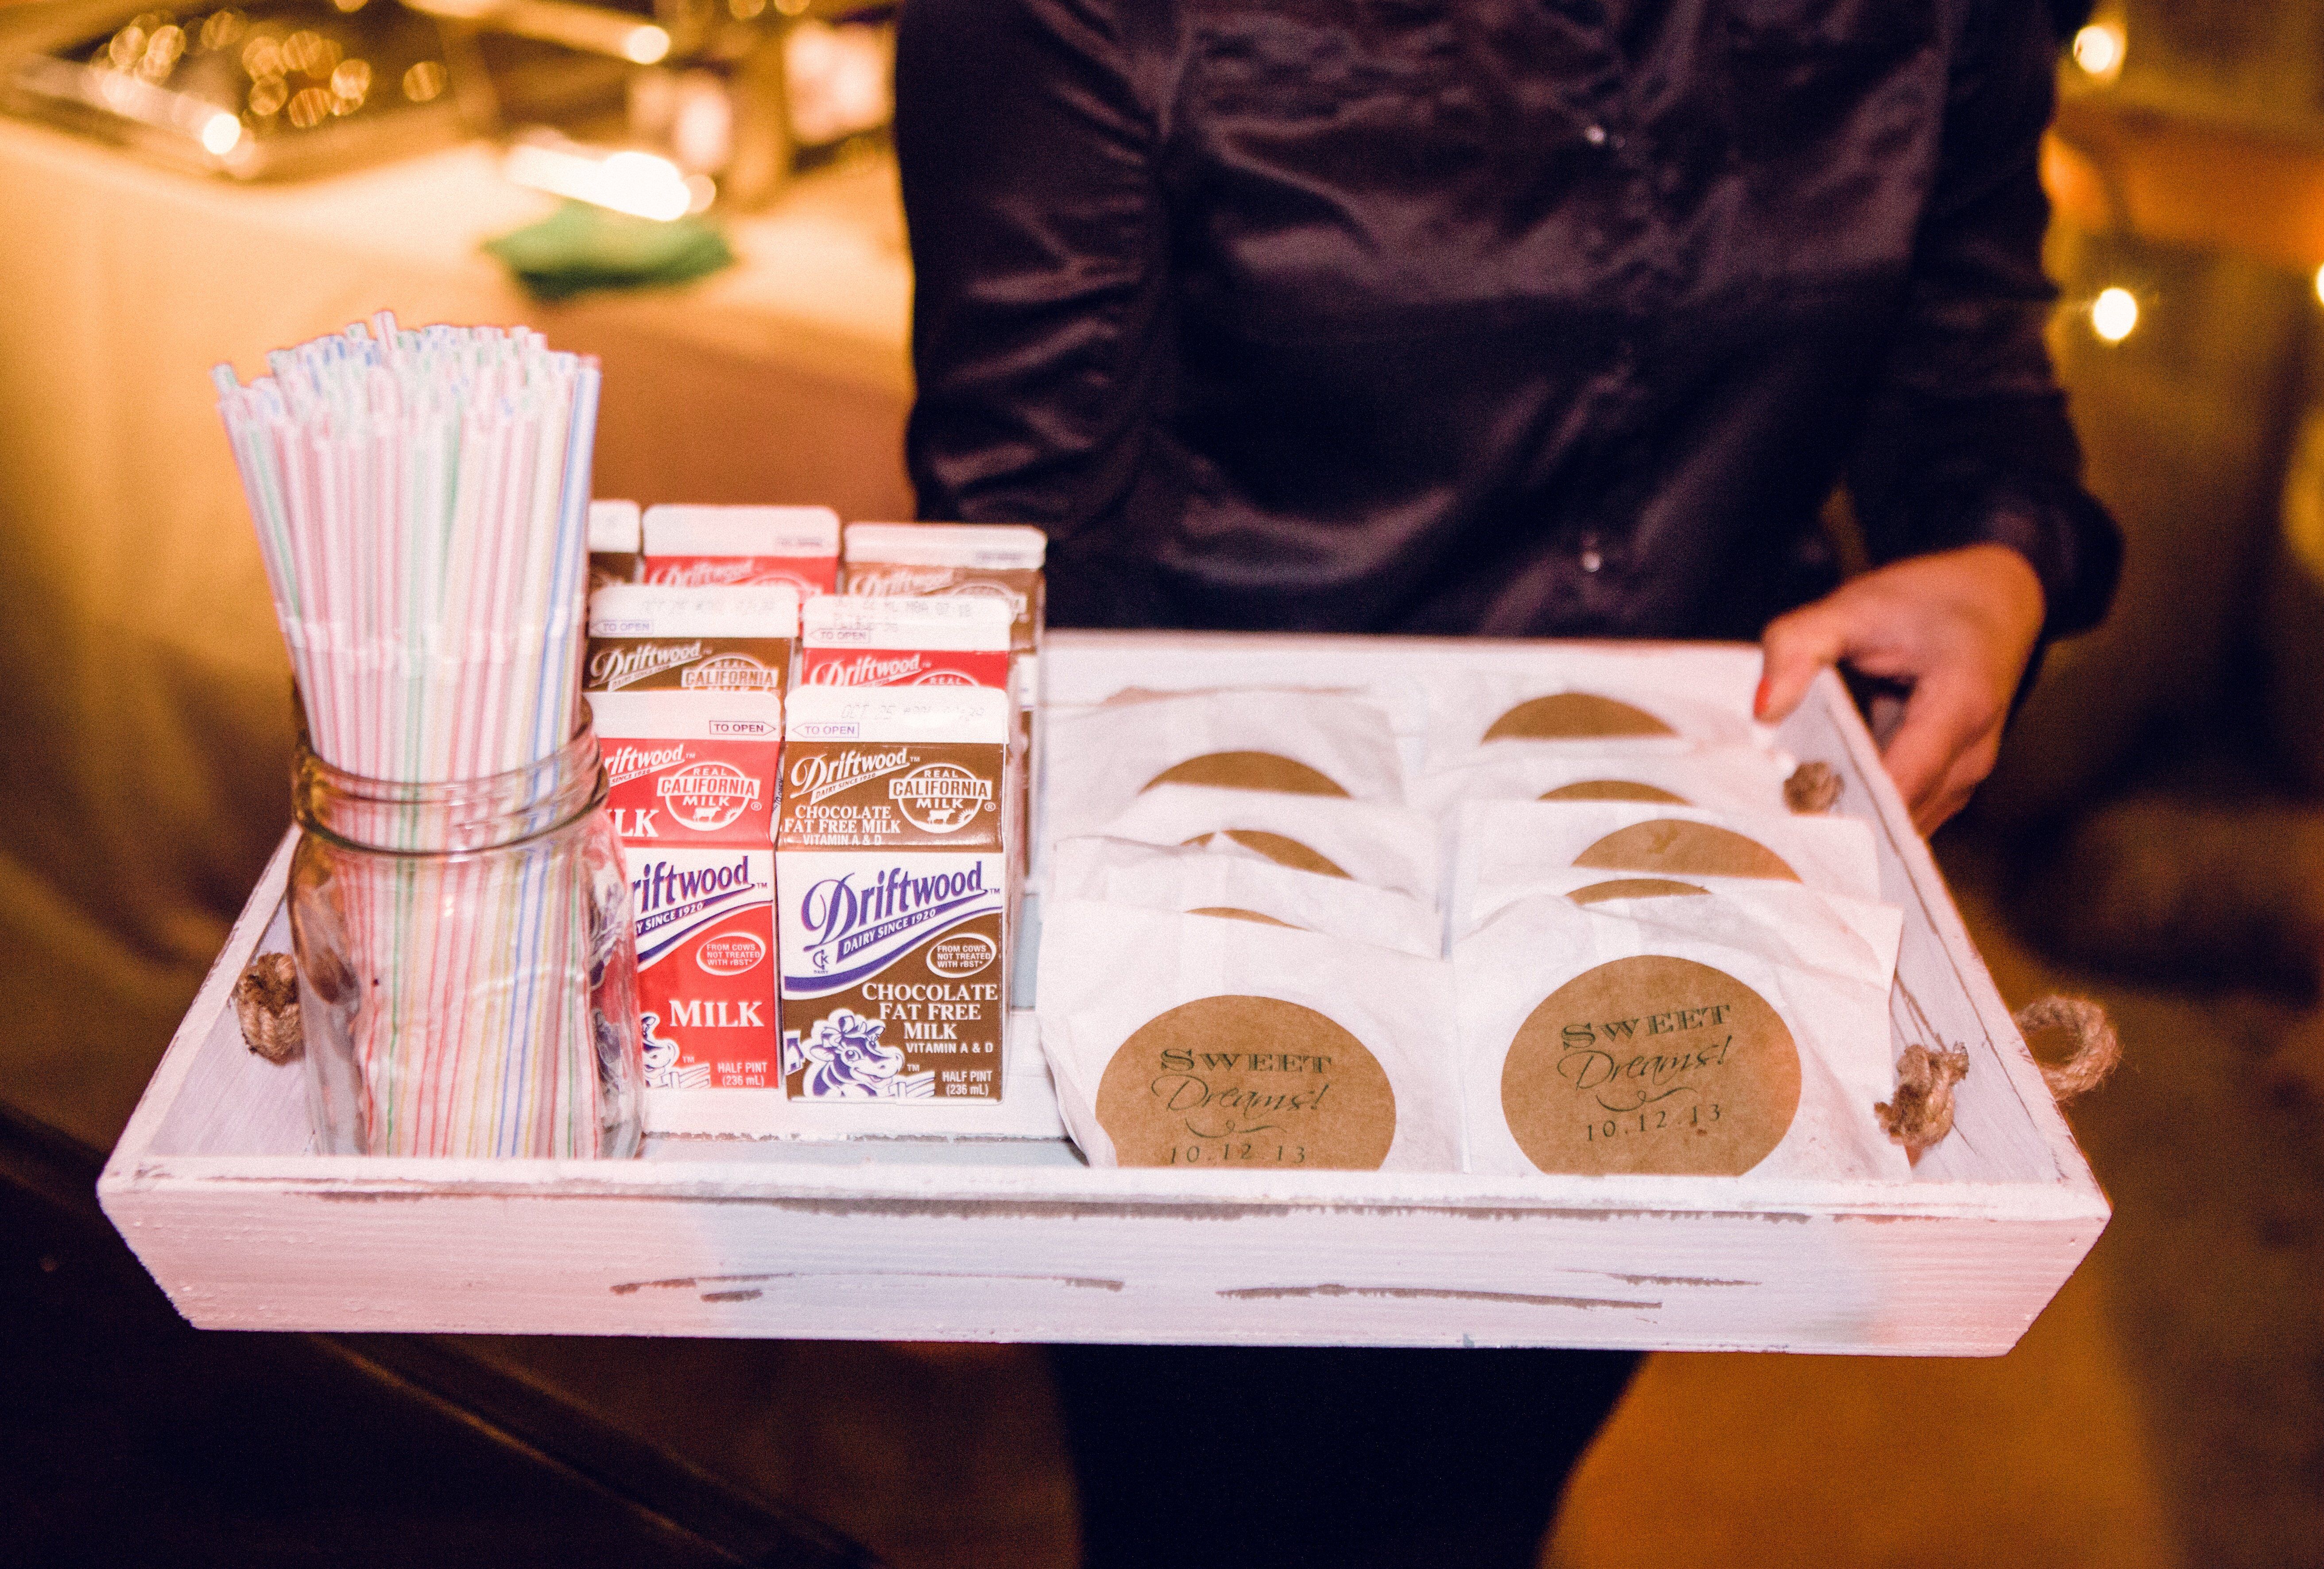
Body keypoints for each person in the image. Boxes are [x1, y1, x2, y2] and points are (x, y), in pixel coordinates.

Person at [893, 0, 2123, 1563]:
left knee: (1481, 1489)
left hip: (1686, 888)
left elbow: (1962, 371)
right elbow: (1019, 538)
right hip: (1215, 906)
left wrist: (2001, 563)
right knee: (1209, 1503)